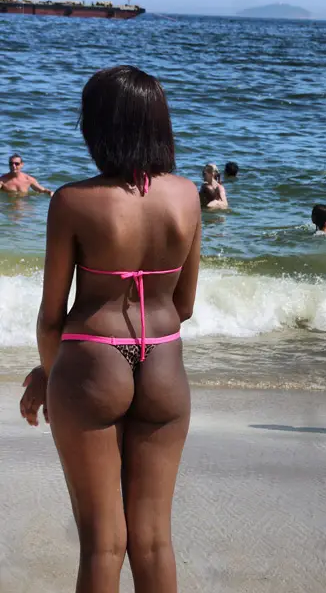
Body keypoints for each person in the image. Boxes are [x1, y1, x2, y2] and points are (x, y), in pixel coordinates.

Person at [18, 65, 201, 593]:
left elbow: (52, 314)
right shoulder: (187, 196)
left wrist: (48, 373)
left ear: (99, 127)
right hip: (164, 362)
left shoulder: (72, 201)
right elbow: (184, 304)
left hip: (92, 361)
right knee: (153, 542)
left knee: (103, 544)